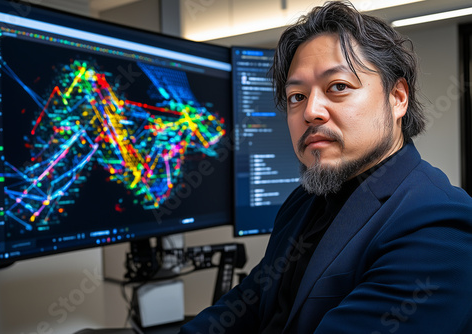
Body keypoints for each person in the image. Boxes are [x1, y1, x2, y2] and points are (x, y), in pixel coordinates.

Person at [179, 1, 472, 333]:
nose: (311, 111)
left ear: (398, 98)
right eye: (296, 96)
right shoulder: (302, 203)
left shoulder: (440, 226)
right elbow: (245, 306)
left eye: (338, 87)